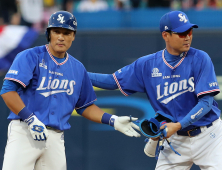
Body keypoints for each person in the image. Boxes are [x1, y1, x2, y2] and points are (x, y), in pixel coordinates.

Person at [0, 11, 141, 170]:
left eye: (67, 33)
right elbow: (7, 91)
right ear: (48, 34)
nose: (61, 37)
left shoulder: (77, 68)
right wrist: (30, 118)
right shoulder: (30, 56)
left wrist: (112, 119)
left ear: (73, 36)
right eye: (56, 32)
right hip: (25, 131)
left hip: (55, 137)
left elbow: (84, 106)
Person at [88, 10, 222, 169]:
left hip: (208, 136)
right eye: (181, 33)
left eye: (190, 31)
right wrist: (78, 73)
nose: (188, 36)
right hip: (175, 140)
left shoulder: (200, 58)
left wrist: (178, 125)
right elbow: (112, 81)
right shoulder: (147, 65)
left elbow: (206, 103)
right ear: (165, 35)